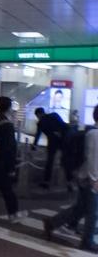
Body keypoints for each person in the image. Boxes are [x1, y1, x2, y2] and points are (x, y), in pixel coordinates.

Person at [44, 107, 98, 251]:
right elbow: (93, 159)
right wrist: (94, 179)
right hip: (89, 178)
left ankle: (52, 222)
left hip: (86, 176)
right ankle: (87, 241)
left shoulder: (92, 132)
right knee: (93, 212)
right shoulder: (95, 134)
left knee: (80, 208)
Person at [35, 107, 71, 189]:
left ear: (39, 114)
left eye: (37, 116)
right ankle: (69, 182)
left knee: (50, 161)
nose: (37, 118)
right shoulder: (54, 115)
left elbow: (38, 135)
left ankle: (46, 182)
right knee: (66, 161)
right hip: (63, 140)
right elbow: (63, 125)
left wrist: (34, 146)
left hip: (52, 143)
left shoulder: (40, 123)